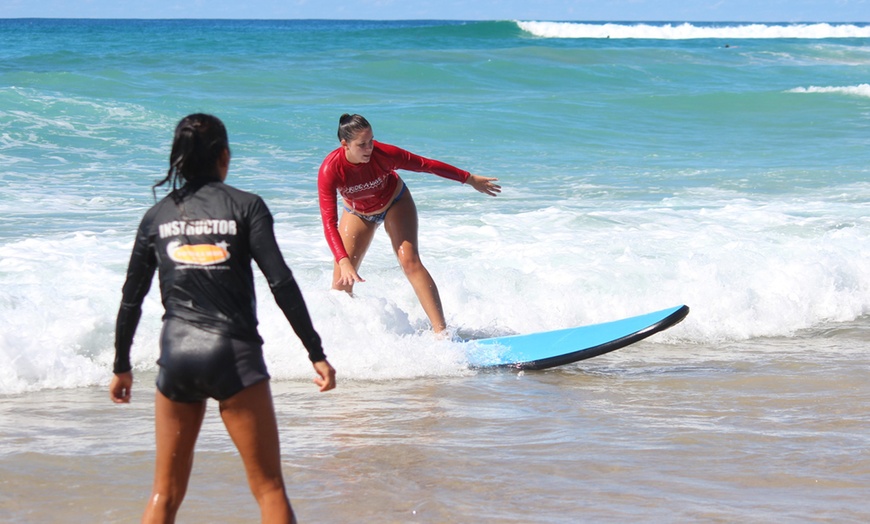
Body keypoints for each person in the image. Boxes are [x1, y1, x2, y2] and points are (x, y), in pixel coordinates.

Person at [110, 113, 336, 524]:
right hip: (233, 354)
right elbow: (281, 282)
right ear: (224, 156)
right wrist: (315, 353)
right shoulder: (246, 206)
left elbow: (131, 299)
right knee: (268, 488)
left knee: (164, 494)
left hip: (178, 355)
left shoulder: (157, 216)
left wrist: (122, 366)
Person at [317, 113, 501, 334]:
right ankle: (342, 338)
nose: (369, 148)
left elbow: (427, 165)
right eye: (362, 144)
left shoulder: (384, 154)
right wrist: (343, 260)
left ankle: (442, 333)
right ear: (344, 144)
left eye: (372, 141)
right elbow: (329, 222)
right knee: (341, 282)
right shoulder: (330, 170)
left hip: (395, 202)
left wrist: (468, 178)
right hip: (358, 213)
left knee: (410, 261)